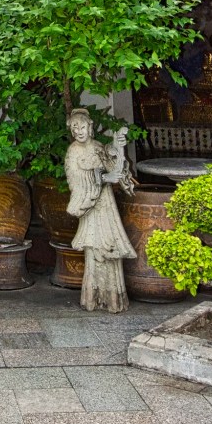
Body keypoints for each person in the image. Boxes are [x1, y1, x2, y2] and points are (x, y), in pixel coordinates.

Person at [65, 108, 136, 313]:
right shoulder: (73, 152)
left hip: (106, 205)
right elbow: (76, 181)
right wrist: (103, 179)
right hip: (91, 206)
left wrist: (117, 148)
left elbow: (115, 168)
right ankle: (94, 296)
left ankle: (113, 297)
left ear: (90, 127)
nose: (79, 131)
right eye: (75, 127)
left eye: (83, 126)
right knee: (95, 247)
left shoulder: (97, 147)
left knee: (111, 246)